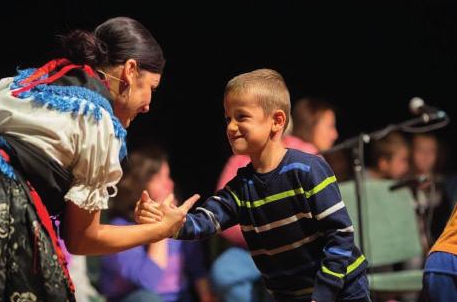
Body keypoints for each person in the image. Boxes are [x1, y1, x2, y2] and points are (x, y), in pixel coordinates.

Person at [0, 16, 198, 301]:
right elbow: (81, 238)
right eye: (150, 88)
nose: (149, 105)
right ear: (130, 70)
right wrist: (160, 230)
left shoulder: (30, 82)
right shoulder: (97, 120)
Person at [138, 69, 370, 302]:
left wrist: (325, 292)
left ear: (277, 121)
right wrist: (172, 223)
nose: (231, 126)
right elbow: (207, 220)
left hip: (342, 289)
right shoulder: (241, 188)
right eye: (228, 118)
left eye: (241, 117)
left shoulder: (308, 169)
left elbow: (340, 234)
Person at [211, 98, 340, 302]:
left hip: (297, 250)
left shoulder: (306, 155)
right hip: (251, 250)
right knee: (224, 272)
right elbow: (222, 216)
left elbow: (323, 215)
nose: (234, 127)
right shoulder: (239, 160)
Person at [99, 147, 216, 302]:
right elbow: (149, 281)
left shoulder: (179, 224)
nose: (170, 184)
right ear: (140, 186)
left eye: (168, 177)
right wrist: (160, 227)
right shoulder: (120, 229)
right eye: (161, 178)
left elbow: (197, 270)